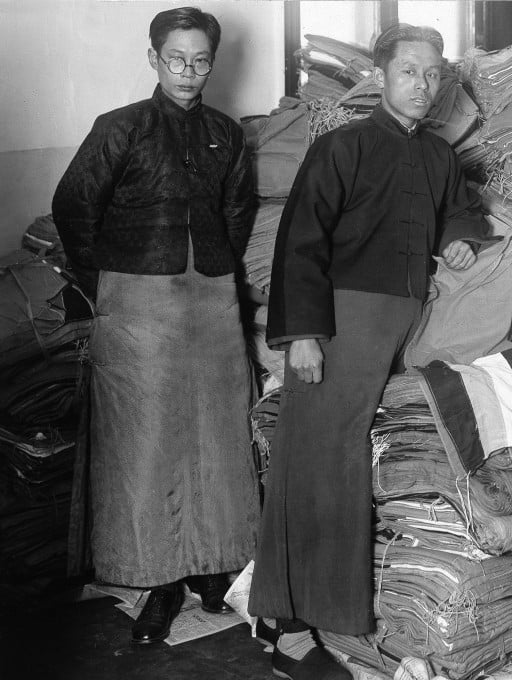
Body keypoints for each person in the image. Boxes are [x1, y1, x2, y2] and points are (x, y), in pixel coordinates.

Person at [247, 23, 489, 680]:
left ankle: (316, 612)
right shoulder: (342, 146)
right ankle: (288, 630)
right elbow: (300, 242)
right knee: (318, 459)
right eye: (410, 71)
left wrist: (461, 236)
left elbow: (461, 210)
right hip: (340, 321)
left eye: (433, 74)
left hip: (407, 322)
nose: (423, 84)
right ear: (381, 76)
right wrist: (303, 335)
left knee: (359, 457)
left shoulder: (438, 156)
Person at [52, 7, 259, 644]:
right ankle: (159, 581)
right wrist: (107, 282)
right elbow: (73, 207)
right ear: (153, 59)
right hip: (137, 306)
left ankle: (214, 567)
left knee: (217, 433)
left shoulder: (226, 133)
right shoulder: (120, 127)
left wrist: (216, 269)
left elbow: (237, 213)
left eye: (200, 61)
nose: (188, 72)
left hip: (212, 302)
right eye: (176, 59)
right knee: (146, 442)